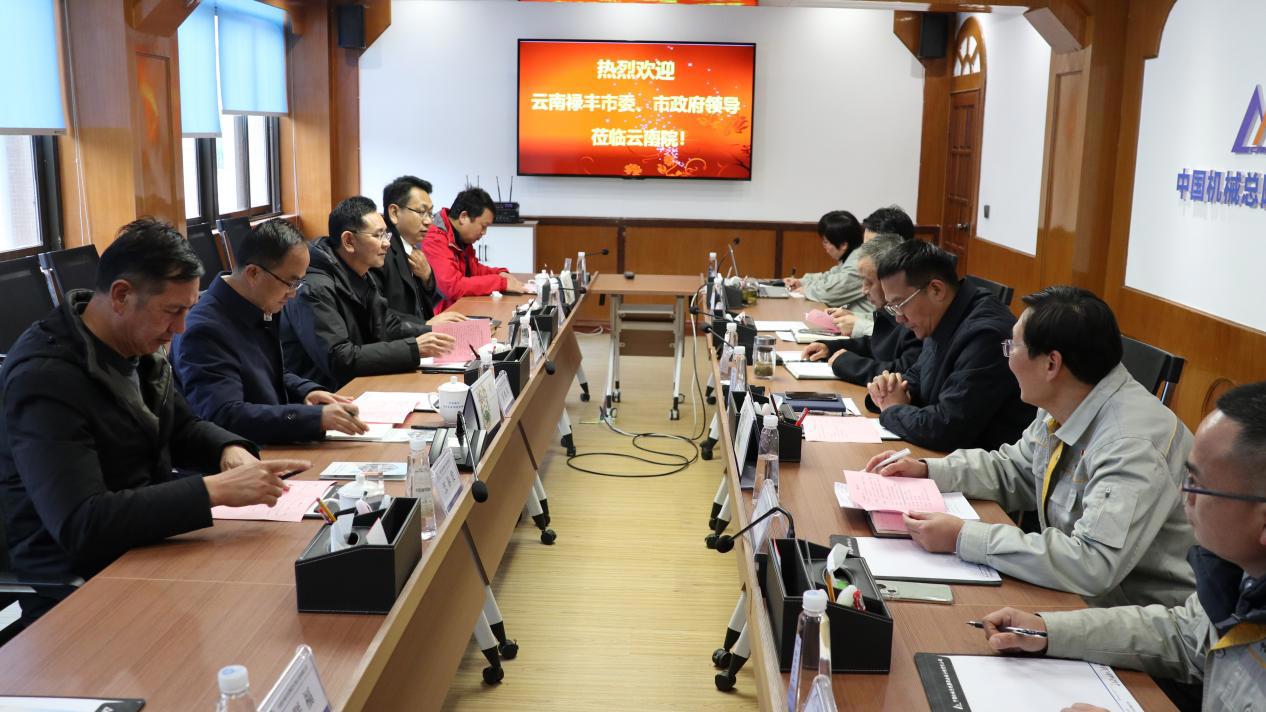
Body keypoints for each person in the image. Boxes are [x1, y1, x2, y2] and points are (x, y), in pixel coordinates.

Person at [0, 219, 309, 628]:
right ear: (121, 295)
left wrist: (227, 450)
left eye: (188, 310)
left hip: (149, 546)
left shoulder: (134, 344)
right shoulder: (45, 380)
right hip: (83, 584)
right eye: (173, 311)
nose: (180, 329)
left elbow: (181, 427)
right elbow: (82, 523)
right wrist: (212, 490)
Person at [865, 286, 1196, 609]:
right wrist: (928, 471)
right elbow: (1016, 470)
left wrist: (964, 537)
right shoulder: (1066, 399)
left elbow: (1092, 564)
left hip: (1134, 617)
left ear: (1051, 364)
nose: (1007, 359)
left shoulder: (1130, 444)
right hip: (1073, 594)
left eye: (1013, 347)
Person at [976, 382, 1266, 712]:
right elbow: (1184, 635)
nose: (1184, 496)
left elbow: (1091, 563)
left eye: (1199, 485)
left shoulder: (1131, 435)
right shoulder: (1239, 572)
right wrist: (1047, 631)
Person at [171, 219, 369, 444]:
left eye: (298, 283)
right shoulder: (204, 331)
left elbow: (267, 372)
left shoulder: (260, 302)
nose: (293, 294)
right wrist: (314, 418)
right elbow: (225, 416)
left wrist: (305, 391)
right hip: (240, 455)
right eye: (290, 283)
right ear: (253, 273)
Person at [865, 239, 1034, 451]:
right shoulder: (942, 315)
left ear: (936, 290)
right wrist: (887, 389)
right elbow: (917, 375)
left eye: (900, 304)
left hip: (984, 462)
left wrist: (892, 410)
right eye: (892, 308)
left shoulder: (987, 336)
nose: (898, 318)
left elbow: (947, 428)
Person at [281, 196, 456, 389]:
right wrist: (414, 349)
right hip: (329, 394)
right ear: (348, 241)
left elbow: (386, 325)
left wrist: (435, 333)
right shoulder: (314, 289)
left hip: (362, 382)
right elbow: (340, 359)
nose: (387, 243)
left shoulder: (360, 271)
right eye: (378, 236)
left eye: (386, 235)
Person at [800, 233, 922, 385]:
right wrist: (830, 348)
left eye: (869, 282)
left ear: (890, 280)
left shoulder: (914, 317)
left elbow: (902, 373)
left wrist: (847, 363)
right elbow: (875, 346)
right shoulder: (888, 311)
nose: (863, 290)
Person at [371, 175, 462, 330]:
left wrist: (427, 278)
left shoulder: (412, 247)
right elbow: (378, 315)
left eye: (430, 213)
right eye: (421, 212)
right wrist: (425, 326)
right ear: (394, 213)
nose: (428, 221)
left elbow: (426, 304)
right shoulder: (380, 251)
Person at [422, 187, 527, 312]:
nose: (484, 233)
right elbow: (452, 287)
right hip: (439, 315)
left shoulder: (460, 236)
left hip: (458, 307)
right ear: (463, 217)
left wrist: (498, 273)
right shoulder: (434, 239)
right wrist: (501, 283)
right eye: (483, 226)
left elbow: (473, 269)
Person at [822, 205, 916, 337]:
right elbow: (888, 319)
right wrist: (855, 316)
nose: (865, 252)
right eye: (865, 245)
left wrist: (859, 325)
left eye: (873, 246)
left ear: (895, 246)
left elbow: (903, 335)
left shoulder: (915, 285)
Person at [782, 211, 872, 327]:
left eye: (826, 242)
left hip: (864, 326)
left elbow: (829, 294)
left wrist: (806, 289)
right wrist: (802, 282)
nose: (824, 246)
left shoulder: (860, 264)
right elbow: (830, 276)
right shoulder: (851, 257)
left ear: (843, 245)